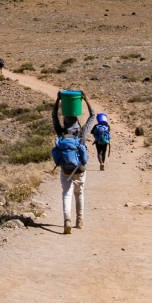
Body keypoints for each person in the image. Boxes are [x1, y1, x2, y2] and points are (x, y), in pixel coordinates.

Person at [49, 99, 88, 234]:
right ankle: (80, 220)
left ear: (64, 122)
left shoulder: (61, 134)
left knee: (67, 194)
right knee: (79, 193)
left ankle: (67, 220)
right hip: (80, 169)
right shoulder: (82, 133)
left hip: (66, 169)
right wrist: (85, 99)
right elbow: (93, 115)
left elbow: (54, 116)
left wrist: (58, 100)